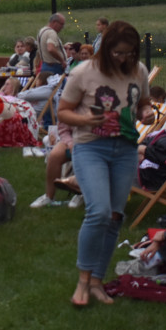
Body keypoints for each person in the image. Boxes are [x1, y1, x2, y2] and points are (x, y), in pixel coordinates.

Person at [58, 20, 154, 306]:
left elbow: (144, 103)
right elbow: (63, 112)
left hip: (125, 149)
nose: (124, 59)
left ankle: (98, 281)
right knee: (98, 212)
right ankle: (83, 282)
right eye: (118, 53)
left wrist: (148, 113)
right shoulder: (83, 73)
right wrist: (86, 119)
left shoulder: (140, 72)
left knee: (114, 216)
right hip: (91, 148)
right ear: (107, 48)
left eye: (129, 53)